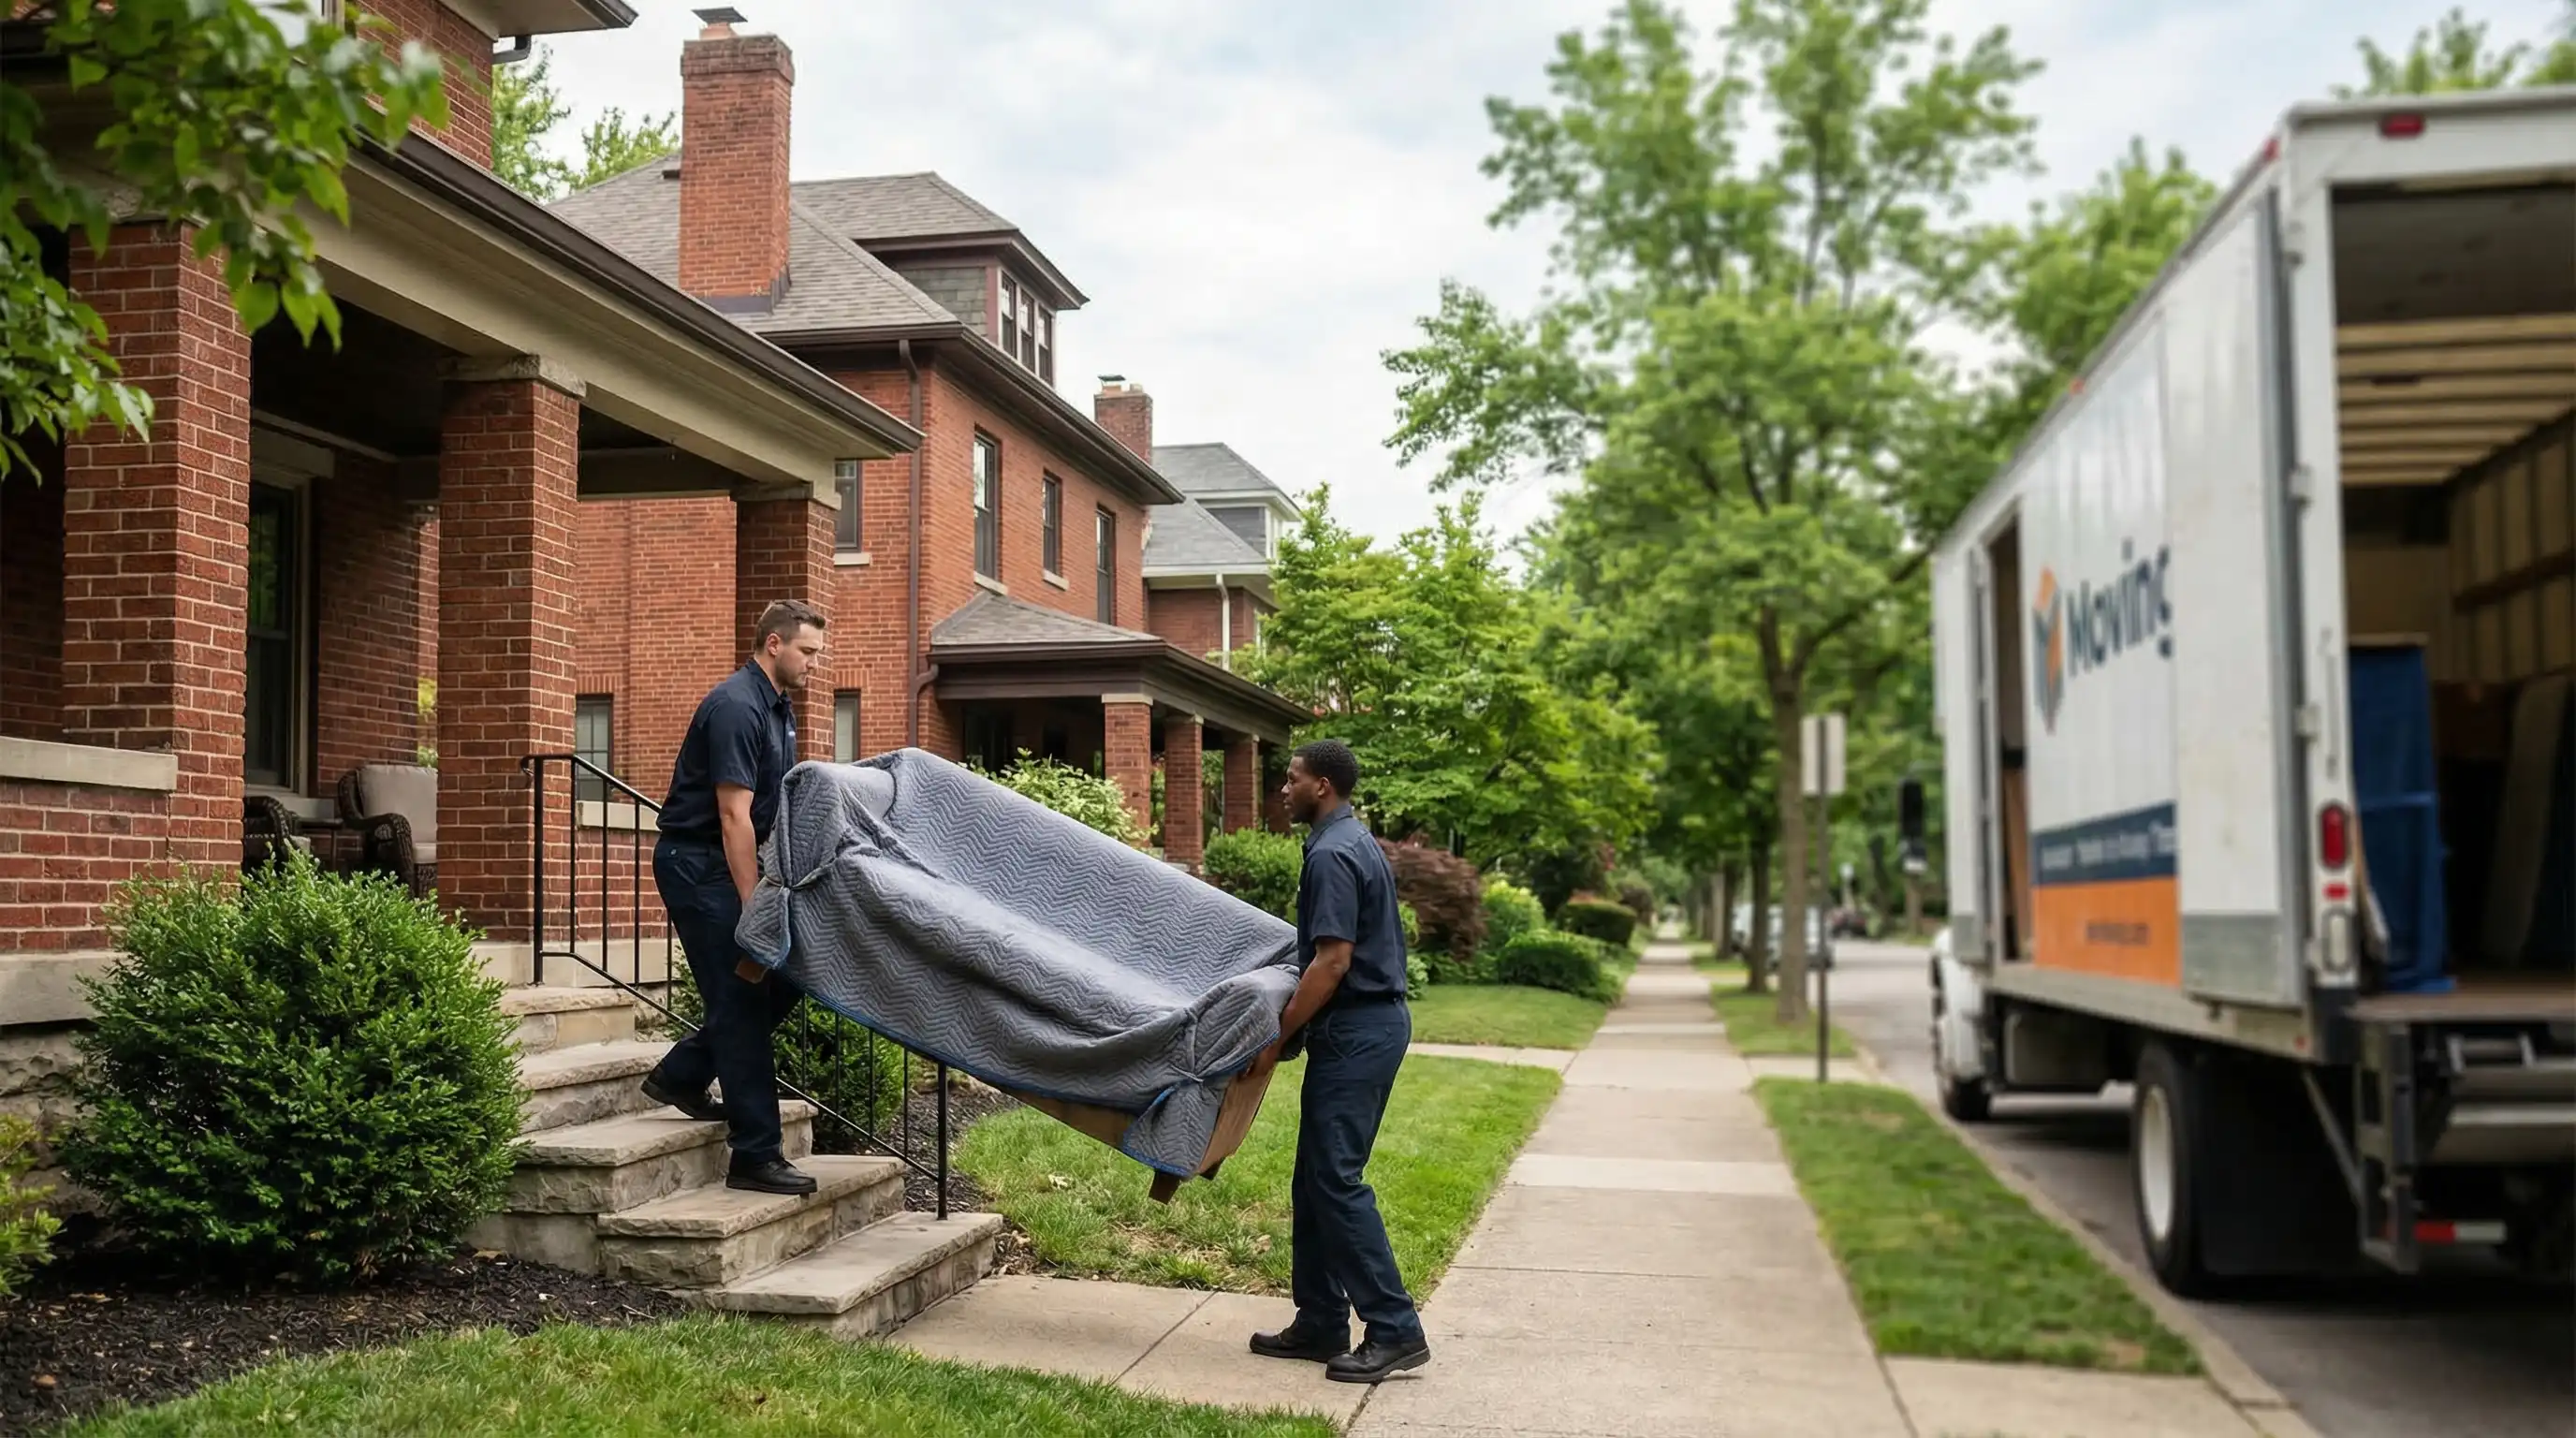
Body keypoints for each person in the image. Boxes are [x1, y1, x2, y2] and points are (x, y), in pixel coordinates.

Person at [1245, 739, 1430, 1385]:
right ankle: (1322, 1318)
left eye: (1291, 779)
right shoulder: (1351, 842)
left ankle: (1396, 1328)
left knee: (1336, 1181)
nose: (1283, 788)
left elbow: (1332, 961)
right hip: (1361, 1028)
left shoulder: (1332, 853)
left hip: (1359, 1030)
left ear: (1321, 786)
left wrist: (1278, 1035)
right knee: (1314, 1179)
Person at [638, 599, 827, 1196]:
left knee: (784, 982)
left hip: (730, 865)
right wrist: (755, 908)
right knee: (744, 1004)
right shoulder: (737, 707)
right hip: (700, 867)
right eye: (808, 651)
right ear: (774, 644)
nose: (814, 664)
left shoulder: (777, 708)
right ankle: (754, 1155)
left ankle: (683, 1073)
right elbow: (732, 815)